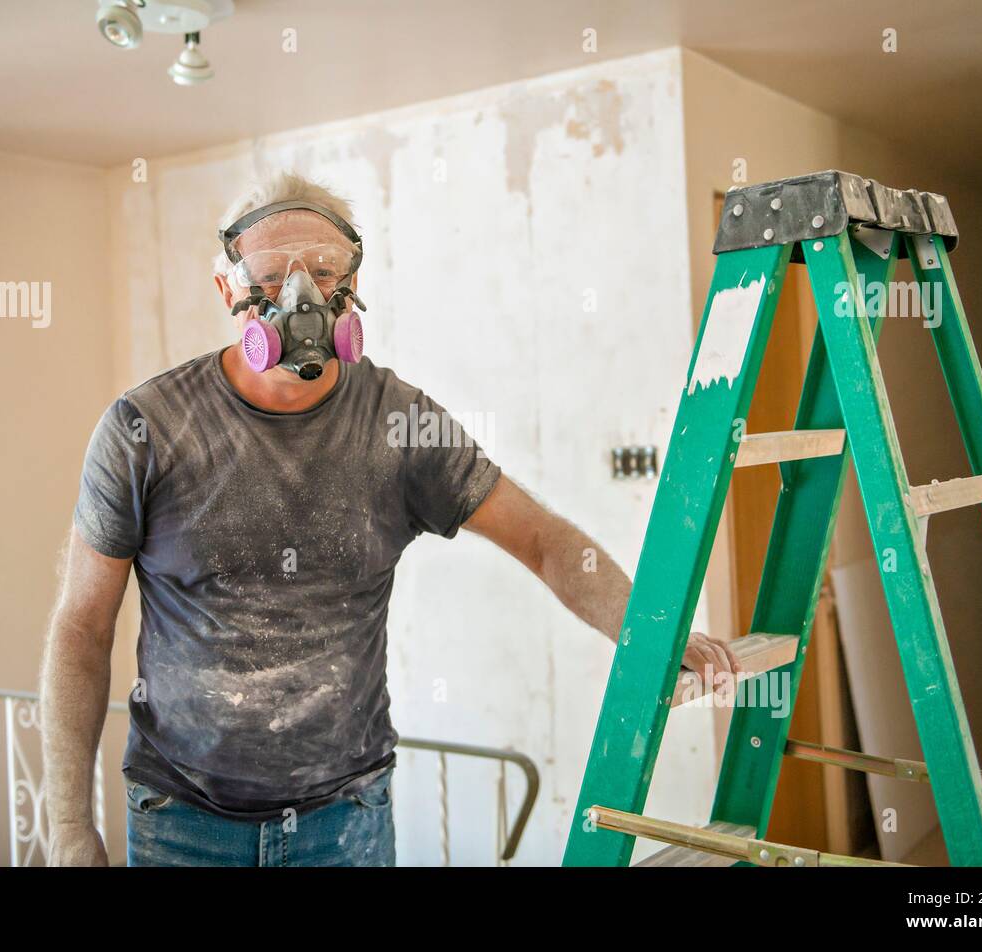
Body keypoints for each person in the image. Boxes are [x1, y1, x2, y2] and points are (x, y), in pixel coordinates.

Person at [40, 170, 739, 866]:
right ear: (227, 288)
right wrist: (69, 824)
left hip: (344, 821)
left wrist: (647, 629)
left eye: (322, 269)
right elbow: (81, 624)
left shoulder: (399, 425)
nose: (301, 295)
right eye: (273, 273)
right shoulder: (146, 429)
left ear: (352, 287)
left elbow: (543, 540)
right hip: (182, 822)